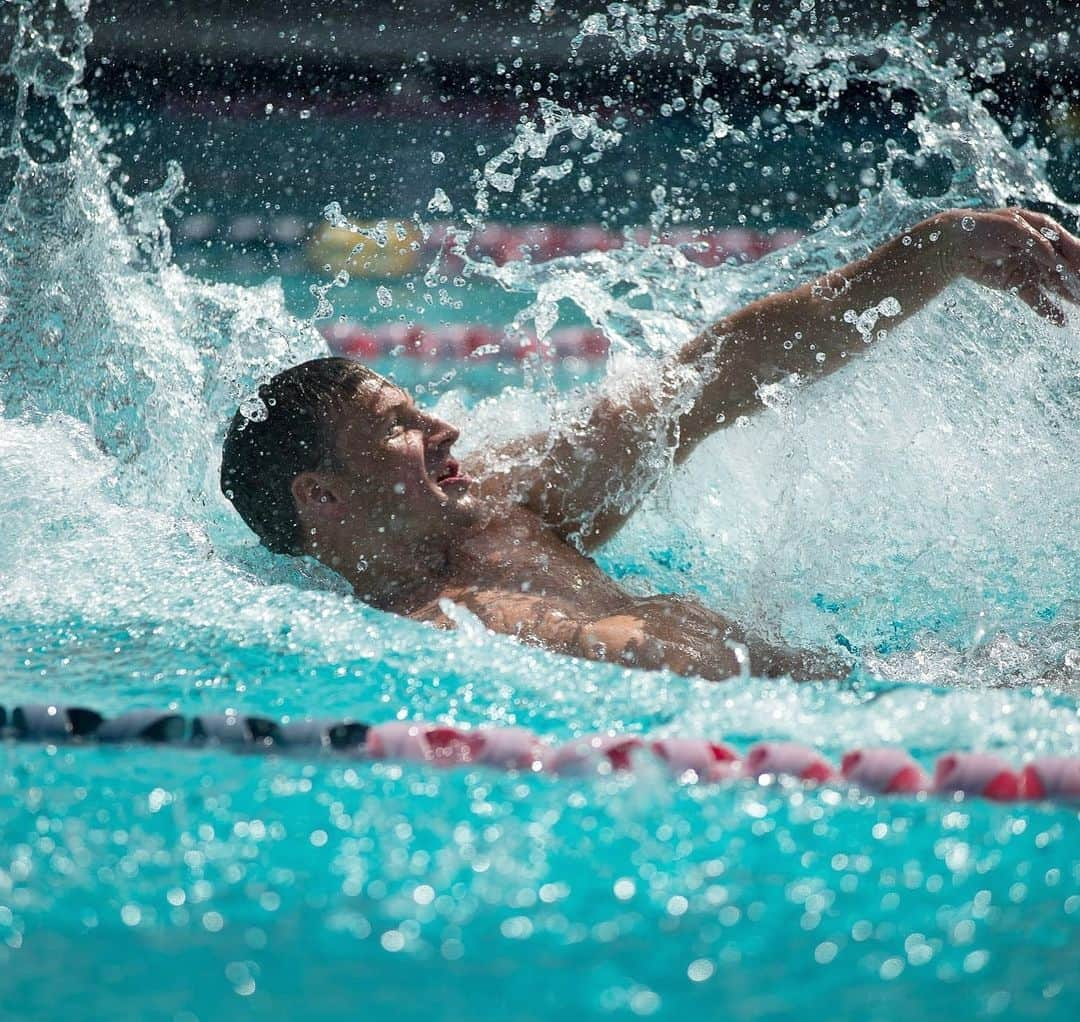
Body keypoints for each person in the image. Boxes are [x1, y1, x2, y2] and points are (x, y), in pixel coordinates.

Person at [221, 208, 1080, 682]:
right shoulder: (422, 645)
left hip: (908, 680)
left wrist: (937, 255)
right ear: (320, 497)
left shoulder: (512, 501)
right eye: (399, 427)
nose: (444, 427)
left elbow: (720, 372)